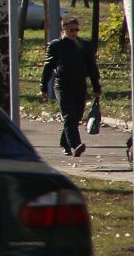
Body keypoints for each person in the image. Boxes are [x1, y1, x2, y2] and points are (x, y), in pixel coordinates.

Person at [43, 14, 101, 156]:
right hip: (62, 86)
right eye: (70, 30)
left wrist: (96, 87)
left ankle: (65, 143)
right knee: (69, 115)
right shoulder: (56, 45)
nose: (73, 33)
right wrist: (43, 86)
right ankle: (76, 145)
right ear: (63, 30)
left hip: (80, 85)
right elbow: (48, 67)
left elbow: (92, 67)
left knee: (76, 116)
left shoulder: (85, 45)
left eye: (76, 30)